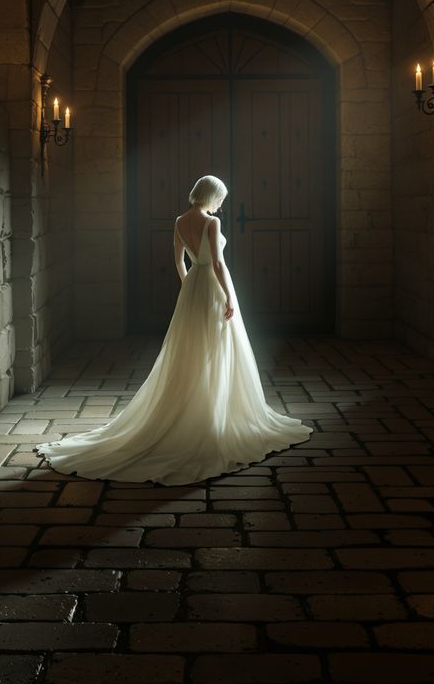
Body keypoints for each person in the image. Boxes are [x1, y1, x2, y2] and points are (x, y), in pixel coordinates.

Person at [36, 175, 312, 485]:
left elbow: (178, 259)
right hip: (211, 287)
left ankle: (193, 405)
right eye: (221, 198)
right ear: (211, 196)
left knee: (189, 347)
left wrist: (188, 285)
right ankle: (210, 413)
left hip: (193, 286)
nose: (222, 203)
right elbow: (218, 264)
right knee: (215, 347)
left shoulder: (180, 221)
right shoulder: (211, 223)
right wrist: (230, 297)